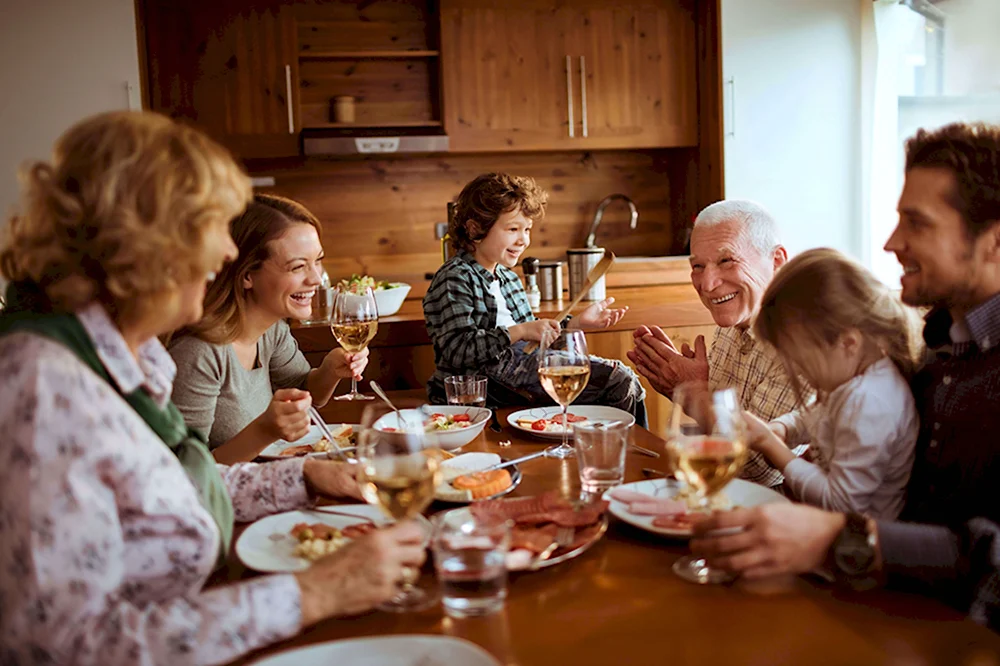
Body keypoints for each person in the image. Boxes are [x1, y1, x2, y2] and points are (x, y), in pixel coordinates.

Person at [0, 111, 425, 665]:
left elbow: (169, 486)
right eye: (213, 227)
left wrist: (304, 474)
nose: (227, 253)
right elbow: (64, 647)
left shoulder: (129, 353)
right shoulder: (42, 387)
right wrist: (315, 593)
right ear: (142, 240)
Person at [690, 122, 1000, 631]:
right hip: (882, 606)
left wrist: (839, 539)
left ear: (992, 241)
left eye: (916, 223)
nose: (890, 242)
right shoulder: (942, 347)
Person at [423, 172, 647, 425]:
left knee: (622, 379)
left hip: (516, 371)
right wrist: (519, 331)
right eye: (513, 229)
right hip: (485, 387)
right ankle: (620, 453)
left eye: (527, 229)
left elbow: (532, 345)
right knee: (617, 380)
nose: (523, 239)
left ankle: (611, 451)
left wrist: (573, 326)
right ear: (475, 228)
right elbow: (457, 350)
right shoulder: (455, 277)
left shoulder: (508, 278)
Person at [169, 193, 368, 464]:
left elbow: (304, 389)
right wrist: (264, 431)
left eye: (317, 261)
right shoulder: (198, 352)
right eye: (298, 266)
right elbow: (188, 472)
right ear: (247, 275)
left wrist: (330, 371)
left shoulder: (272, 330)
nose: (316, 279)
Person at [628, 200, 809, 488]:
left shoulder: (802, 340)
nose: (708, 284)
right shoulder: (736, 317)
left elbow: (757, 468)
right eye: (698, 266)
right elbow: (716, 440)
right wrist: (687, 385)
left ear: (776, 261)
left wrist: (693, 393)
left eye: (726, 261)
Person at [744, 248, 921, 519]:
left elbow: (840, 502)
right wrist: (783, 429)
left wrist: (774, 449)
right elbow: (818, 414)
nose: (801, 372)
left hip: (856, 548)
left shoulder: (869, 401)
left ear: (848, 342)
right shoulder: (857, 380)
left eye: (802, 361)